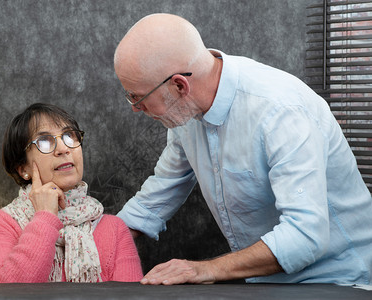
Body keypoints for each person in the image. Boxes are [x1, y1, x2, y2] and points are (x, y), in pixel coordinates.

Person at [114, 13, 372, 285]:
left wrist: (203, 270)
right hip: (264, 283)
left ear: (179, 85)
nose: (134, 108)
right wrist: (90, 240)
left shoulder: (281, 111)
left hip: (342, 282)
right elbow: (157, 195)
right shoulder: (184, 111)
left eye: (138, 97)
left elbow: (305, 236)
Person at [0, 103, 143, 283]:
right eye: (44, 141)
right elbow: (5, 294)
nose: (63, 148)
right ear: (23, 168)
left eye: (69, 136)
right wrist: (45, 217)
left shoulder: (114, 229)